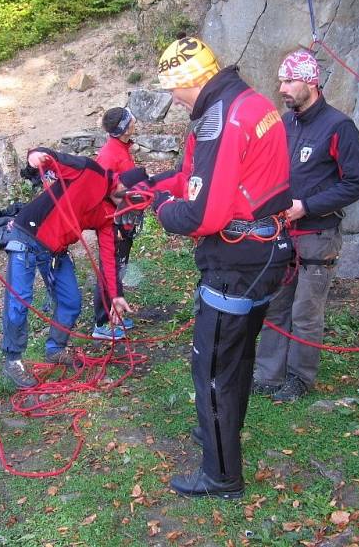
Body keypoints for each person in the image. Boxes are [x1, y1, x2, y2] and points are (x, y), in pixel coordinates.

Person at [149, 36, 293, 499]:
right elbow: (214, 178)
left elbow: (201, 215)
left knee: (212, 369)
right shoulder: (248, 101)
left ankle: (221, 475)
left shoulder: (220, 119)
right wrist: (156, 182)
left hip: (237, 262)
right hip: (265, 252)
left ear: (193, 80)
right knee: (236, 359)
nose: (172, 97)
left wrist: (160, 207)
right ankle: (219, 433)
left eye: (174, 87)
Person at [253, 49, 359, 402]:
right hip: (280, 232)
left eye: (289, 81)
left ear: (311, 82)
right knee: (276, 304)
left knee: (306, 309)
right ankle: (268, 374)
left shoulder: (338, 127)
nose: (282, 88)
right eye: (281, 81)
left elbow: (355, 183)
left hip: (318, 235)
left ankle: (299, 377)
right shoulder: (285, 124)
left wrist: (307, 206)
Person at [0, 147, 142, 388]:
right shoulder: (89, 170)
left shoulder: (110, 213)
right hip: (28, 235)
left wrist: (115, 296)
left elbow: (108, 257)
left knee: (71, 301)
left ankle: (55, 349)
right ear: (121, 181)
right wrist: (37, 155)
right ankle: (13, 360)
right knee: (20, 300)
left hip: (55, 250)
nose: (127, 202)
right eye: (128, 195)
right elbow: (54, 159)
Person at [92, 107, 139, 340]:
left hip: (126, 220)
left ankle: (115, 313)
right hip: (114, 222)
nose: (134, 121)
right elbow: (101, 190)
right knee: (108, 269)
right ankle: (101, 322)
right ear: (124, 127)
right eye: (131, 120)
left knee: (118, 268)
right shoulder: (109, 155)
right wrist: (116, 223)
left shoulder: (122, 148)